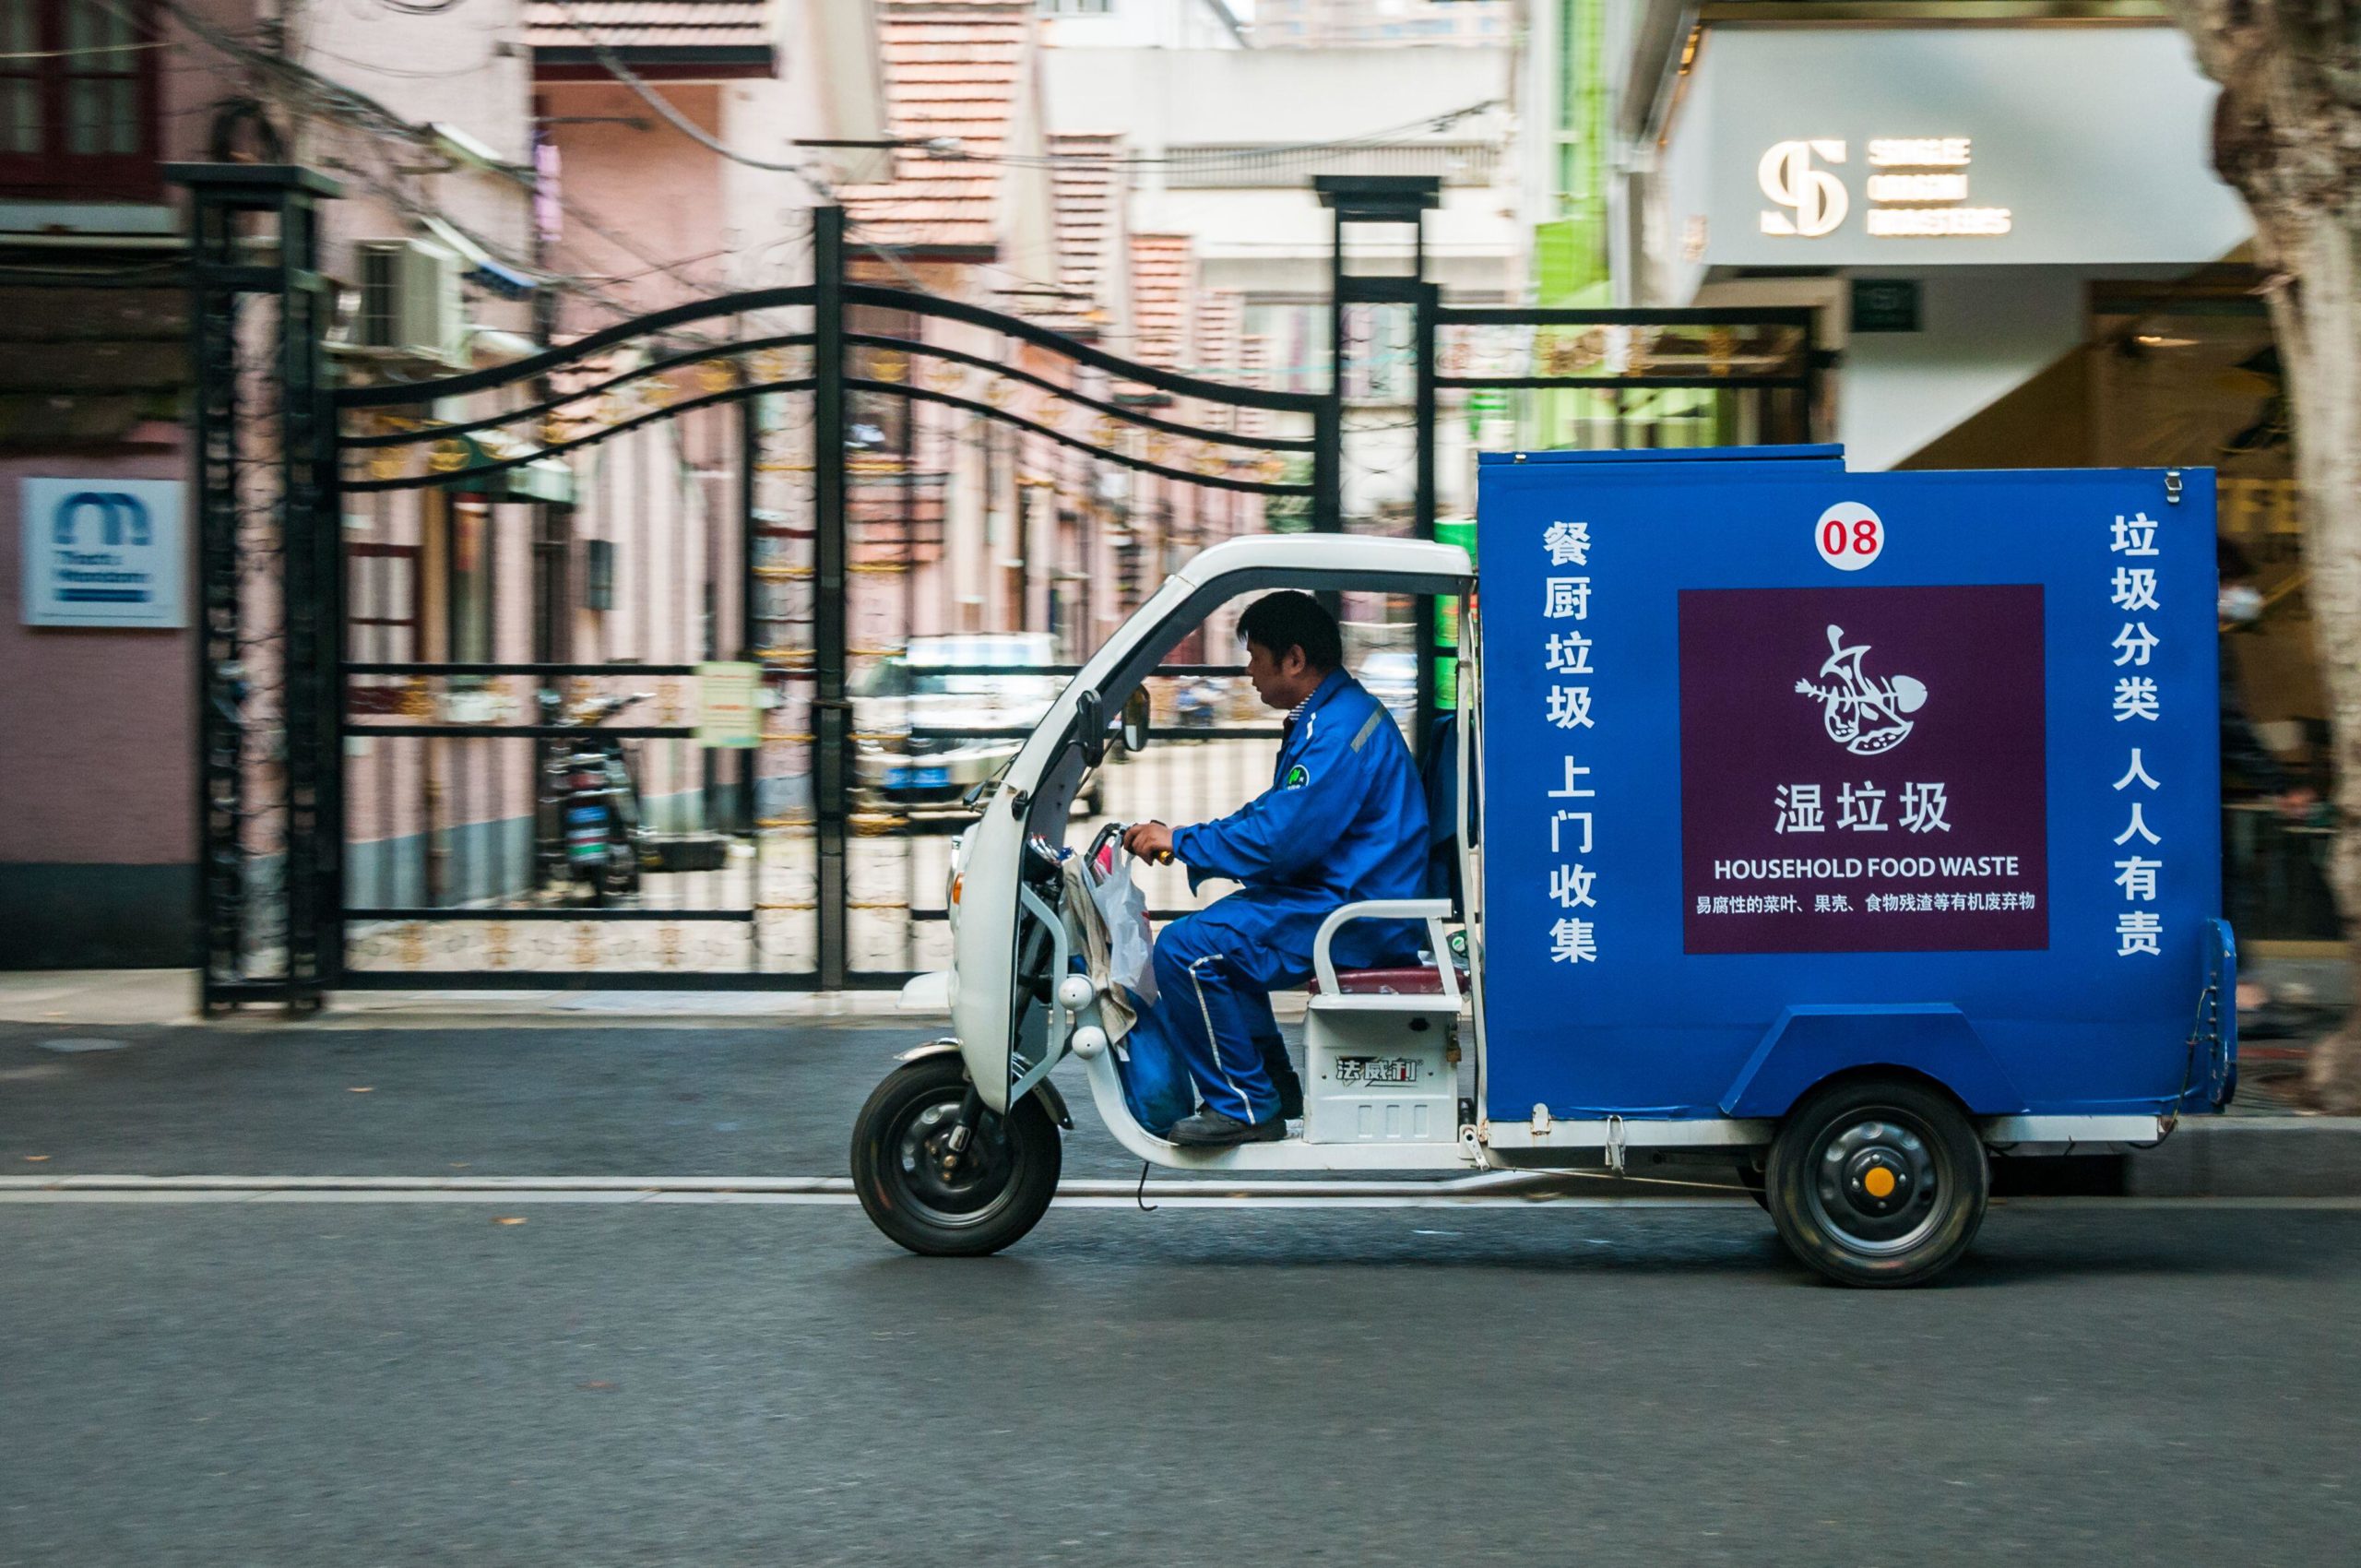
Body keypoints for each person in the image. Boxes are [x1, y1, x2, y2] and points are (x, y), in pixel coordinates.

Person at [1120, 592, 1431, 1146]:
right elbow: (1275, 816)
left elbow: (1279, 841)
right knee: (1217, 935)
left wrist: (1184, 841)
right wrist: (1188, 839)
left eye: (1255, 655)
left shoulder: (1335, 732)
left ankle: (1243, 1104)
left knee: (1187, 952)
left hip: (1353, 912)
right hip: (1343, 892)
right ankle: (1271, 1087)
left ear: (1292, 658)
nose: (1248, 670)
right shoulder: (1334, 716)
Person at [2217, 539, 2315, 820]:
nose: (2245, 596)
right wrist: (2281, 786)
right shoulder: (2206, 649)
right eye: (2234, 585)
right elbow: (2229, 725)